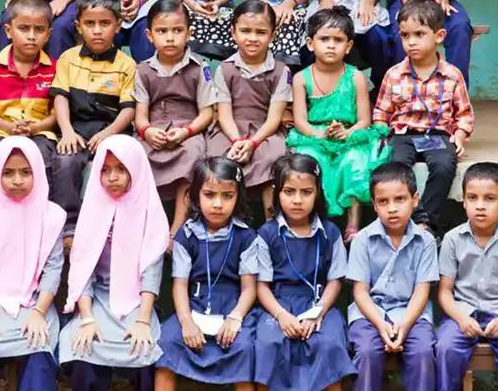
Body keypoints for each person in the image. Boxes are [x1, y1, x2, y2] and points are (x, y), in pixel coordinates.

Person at [59, 135, 170, 391]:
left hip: (136, 302)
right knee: (81, 350)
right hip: (96, 300)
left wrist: (143, 321)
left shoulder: (149, 212)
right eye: (105, 169)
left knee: (145, 350)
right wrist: (86, 319)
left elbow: (151, 274)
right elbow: (82, 270)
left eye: (122, 169)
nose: (112, 177)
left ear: (137, 170)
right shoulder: (93, 209)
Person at [0, 136, 67, 391]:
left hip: (35, 305)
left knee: (38, 348)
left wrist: (39, 313)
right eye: (8, 173)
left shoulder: (50, 217)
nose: (17, 180)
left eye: (25, 172)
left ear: (38, 173)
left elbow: (53, 270)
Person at [254, 154, 357, 391]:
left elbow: (335, 281)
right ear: (277, 193)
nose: (297, 200)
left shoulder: (330, 232)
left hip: (319, 303)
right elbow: (261, 286)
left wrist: (318, 311)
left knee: (330, 343)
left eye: (306, 192)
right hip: (277, 304)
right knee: (268, 343)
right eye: (289, 192)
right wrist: (281, 315)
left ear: (317, 193)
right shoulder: (266, 234)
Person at [155, 157, 259, 390]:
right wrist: (186, 322)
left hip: (233, 305)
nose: (218, 204)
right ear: (195, 196)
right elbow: (180, 285)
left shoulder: (246, 237)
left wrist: (235, 318)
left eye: (227, 196)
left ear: (238, 197)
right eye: (210, 195)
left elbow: (249, 287)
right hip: (195, 305)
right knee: (166, 341)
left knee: (244, 346)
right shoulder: (186, 235)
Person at [288, 7, 390, 242]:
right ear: (310, 43)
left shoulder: (356, 77)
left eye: (338, 40)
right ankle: (315, 219)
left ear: (349, 46)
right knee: (310, 159)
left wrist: (349, 132)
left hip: (350, 134)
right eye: (324, 39)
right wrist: (320, 134)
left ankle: (353, 223)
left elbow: (365, 119)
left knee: (354, 160)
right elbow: (300, 120)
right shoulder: (301, 78)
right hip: (314, 135)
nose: (331, 45)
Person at [373, 0, 474, 234]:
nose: (411, 42)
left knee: (444, 165)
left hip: (437, 133)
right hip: (402, 133)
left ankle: (425, 223)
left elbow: (464, 114)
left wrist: (459, 135)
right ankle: (416, 218)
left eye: (419, 34)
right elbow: (381, 112)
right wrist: (380, 135)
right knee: (397, 166)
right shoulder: (394, 74)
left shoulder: (452, 75)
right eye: (405, 36)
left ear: (439, 36)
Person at [436, 163, 498, 391]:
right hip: (461, 315)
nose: (480, 206)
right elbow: (444, 291)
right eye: (472, 198)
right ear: (463, 201)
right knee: (445, 348)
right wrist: (461, 319)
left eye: (489, 198)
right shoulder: (453, 240)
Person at [49, 0, 136, 236]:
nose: (97, 30)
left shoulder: (126, 65)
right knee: (64, 162)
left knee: (115, 166)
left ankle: (112, 223)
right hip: (75, 128)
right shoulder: (67, 59)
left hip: (112, 131)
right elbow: (60, 97)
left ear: (118, 26)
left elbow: (128, 109)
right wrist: (66, 131)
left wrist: (109, 133)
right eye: (89, 23)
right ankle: (70, 226)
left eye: (105, 23)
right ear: (78, 26)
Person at [346, 162, 438, 391]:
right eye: (383, 202)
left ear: (414, 200)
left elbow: (422, 290)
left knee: (423, 351)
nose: (392, 208)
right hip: (369, 314)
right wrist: (380, 324)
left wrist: (405, 324)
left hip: (412, 314)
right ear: (374, 205)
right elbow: (360, 292)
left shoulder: (425, 241)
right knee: (366, 352)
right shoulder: (363, 240)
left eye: (400, 199)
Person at [134, 0, 216, 242]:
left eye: (177, 31)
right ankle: (146, 227)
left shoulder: (200, 67)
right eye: (162, 31)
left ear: (189, 33)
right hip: (154, 130)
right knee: (137, 154)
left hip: (188, 131)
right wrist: (147, 131)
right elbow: (140, 115)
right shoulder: (143, 70)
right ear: (149, 36)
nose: (170, 37)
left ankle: (175, 229)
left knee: (193, 156)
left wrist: (187, 131)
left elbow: (207, 113)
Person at [207, 0, 292, 220]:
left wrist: (253, 143)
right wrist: (237, 141)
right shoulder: (224, 69)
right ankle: (225, 217)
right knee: (217, 156)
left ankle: (269, 218)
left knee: (273, 156)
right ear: (233, 33)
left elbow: (274, 118)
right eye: (245, 31)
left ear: (272, 35)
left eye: (261, 32)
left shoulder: (281, 71)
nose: (252, 38)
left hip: (266, 132)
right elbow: (224, 114)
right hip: (230, 130)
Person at [0, 0, 57, 181]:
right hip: (2, 130)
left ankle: (42, 207)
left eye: (40, 29)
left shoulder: (55, 70)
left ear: (48, 35)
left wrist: (36, 128)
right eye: (24, 28)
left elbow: (57, 113)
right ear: (9, 31)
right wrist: (9, 127)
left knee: (45, 158)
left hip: (40, 132)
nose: (32, 36)